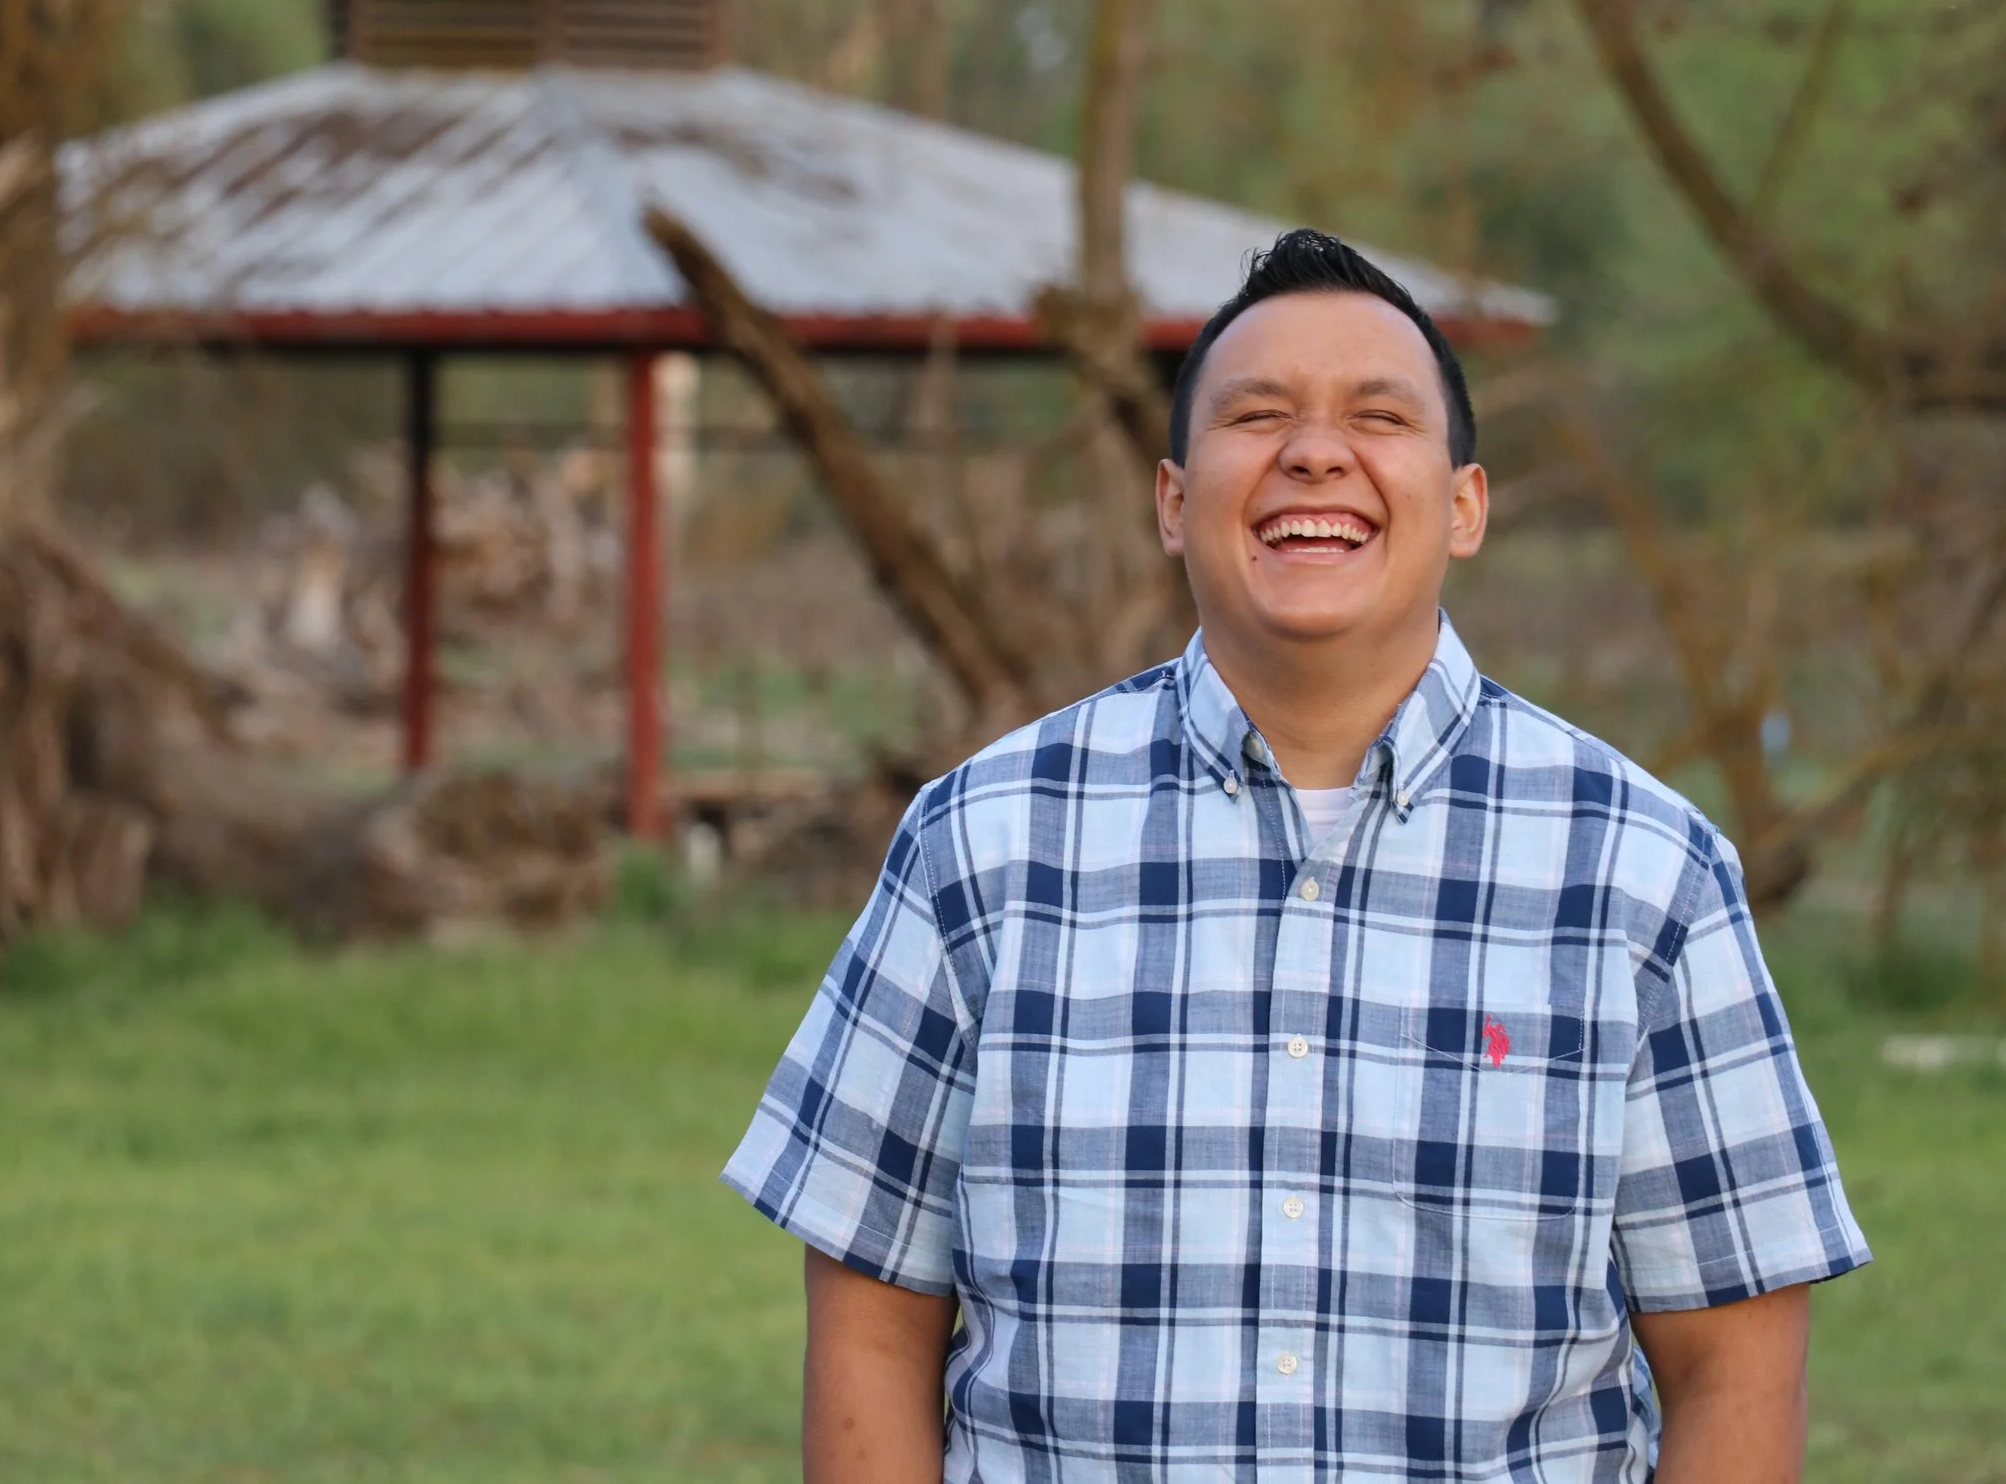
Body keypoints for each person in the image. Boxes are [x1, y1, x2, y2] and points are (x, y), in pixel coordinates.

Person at [723, 229, 1869, 1483]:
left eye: (1378, 416)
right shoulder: (980, 845)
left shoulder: (1643, 873)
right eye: (1258, 413)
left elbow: (1734, 1365)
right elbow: (872, 1324)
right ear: (1173, 502)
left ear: (1465, 505)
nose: (1315, 452)